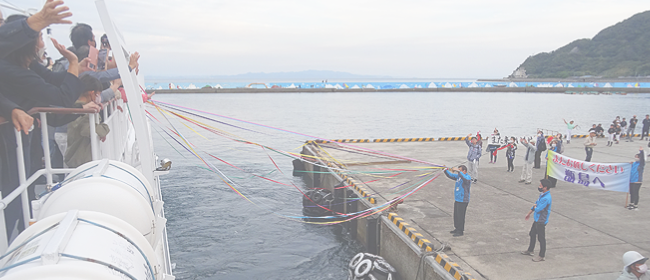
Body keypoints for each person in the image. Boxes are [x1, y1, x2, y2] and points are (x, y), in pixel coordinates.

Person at [64, 75, 109, 168]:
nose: (99, 97)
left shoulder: (75, 107)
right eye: (98, 94)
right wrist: (104, 128)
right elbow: (88, 130)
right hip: (81, 161)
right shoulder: (84, 112)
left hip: (76, 159)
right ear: (92, 94)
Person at [521, 179, 553, 262]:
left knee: (541, 238)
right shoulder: (542, 195)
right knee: (532, 233)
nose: (539, 187)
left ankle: (541, 255)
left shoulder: (546, 198)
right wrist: (529, 213)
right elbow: (535, 204)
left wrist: (535, 207)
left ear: (545, 187)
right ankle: (530, 250)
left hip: (541, 221)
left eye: (540, 186)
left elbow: (538, 209)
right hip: (537, 219)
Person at [443, 165, 472, 237]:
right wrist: (445, 170)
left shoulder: (467, 177)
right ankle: (456, 228)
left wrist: (458, 171)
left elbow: (466, 179)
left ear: (464, 171)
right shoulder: (458, 177)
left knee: (461, 216)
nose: (458, 171)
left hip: (463, 200)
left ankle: (460, 230)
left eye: (460, 170)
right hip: (457, 199)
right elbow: (451, 175)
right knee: (456, 215)